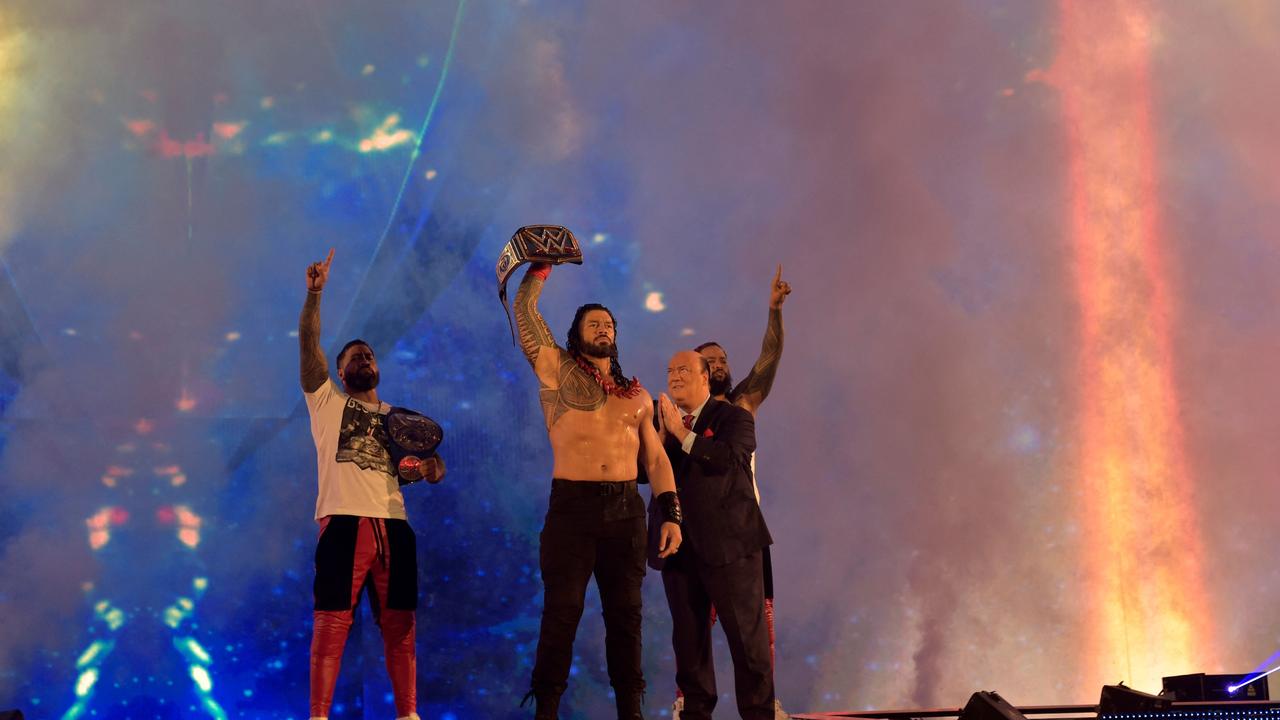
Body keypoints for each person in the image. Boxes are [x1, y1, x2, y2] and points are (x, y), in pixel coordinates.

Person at [513, 261, 683, 719]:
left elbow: (656, 459)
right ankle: (545, 710)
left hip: (626, 511)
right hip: (573, 508)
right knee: (561, 614)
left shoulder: (637, 397)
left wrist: (670, 513)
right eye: (594, 323)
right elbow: (525, 311)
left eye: (609, 324)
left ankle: (632, 712)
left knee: (626, 619)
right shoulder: (556, 371)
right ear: (577, 333)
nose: (603, 329)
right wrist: (541, 268)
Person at [300, 248, 443, 720]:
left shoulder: (400, 419)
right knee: (332, 623)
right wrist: (315, 296)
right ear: (340, 372)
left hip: (394, 526)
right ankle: (318, 716)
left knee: (401, 625)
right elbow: (308, 344)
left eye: (370, 354)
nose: (364, 358)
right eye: (354, 356)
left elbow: (424, 467)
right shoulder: (326, 401)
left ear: (378, 368)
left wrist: (429, 469)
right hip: (342, 520)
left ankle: (408, 715)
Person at [674, 265, 791, 718]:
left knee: (755, 633)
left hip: (741, 535)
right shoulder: (675, 416)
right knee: (691, 633)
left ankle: (762, 706)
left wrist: (774, 312)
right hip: (694, 536)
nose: (720, 365)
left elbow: (770, 358)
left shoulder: (741, 405)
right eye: (711, 361)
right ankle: (691, 703)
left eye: (723, 359)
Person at [656, 350, 774, 720]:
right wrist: (658, 440)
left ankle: (757, 714)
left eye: (684, 370)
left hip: (732, 548)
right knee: (689, 649)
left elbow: (726, 459)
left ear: (705, 377)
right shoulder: (664, 423)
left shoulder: (734, 417)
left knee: (749, 647)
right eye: (671, 371)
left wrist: (680, 432)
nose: (675, 377)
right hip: (679, 551)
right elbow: (646, 476)